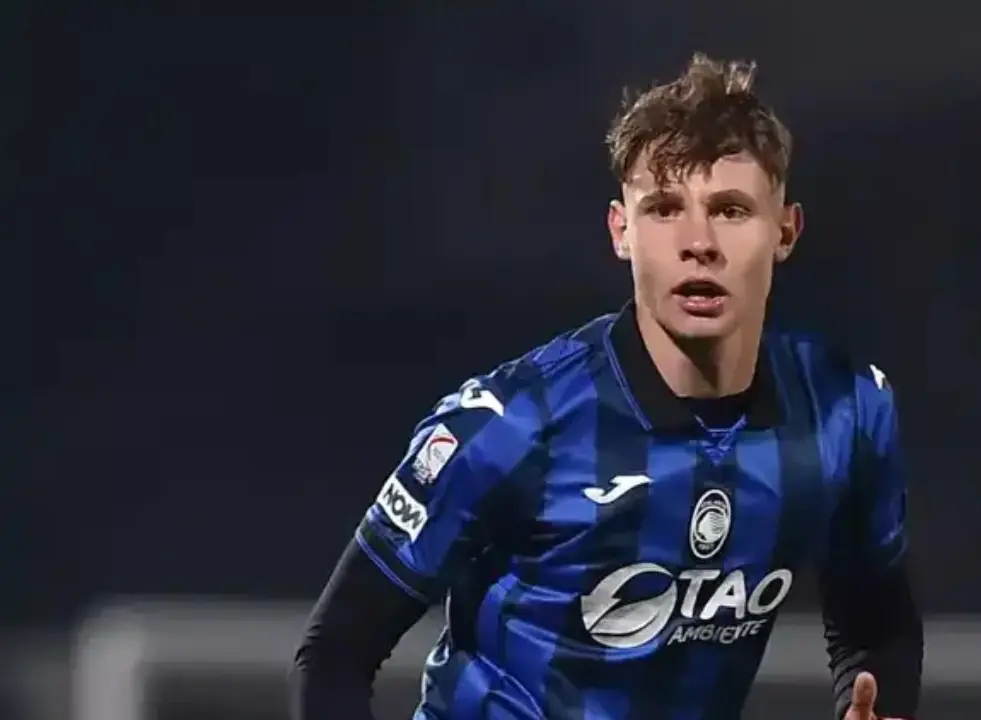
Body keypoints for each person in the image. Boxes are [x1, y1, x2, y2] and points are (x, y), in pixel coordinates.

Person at [290, 53, 923, 720]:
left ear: (785, 231)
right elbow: (335, 653)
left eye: (731, 210)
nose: (699, 242)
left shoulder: (845, 410)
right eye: (664, 209)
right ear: (621, 231)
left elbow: (876, 624)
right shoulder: (512, 424)